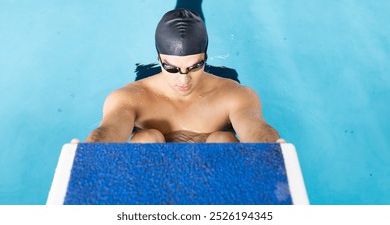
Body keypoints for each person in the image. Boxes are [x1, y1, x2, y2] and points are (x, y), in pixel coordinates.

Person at [80, 9, 282, 143]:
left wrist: (273, 150)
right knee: (146, 138)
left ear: (206, 58)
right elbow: (110, 131)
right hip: (154, 177)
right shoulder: (130, 98)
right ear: (159, 59)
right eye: (172, 68)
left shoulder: (234, 94)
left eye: (195, 67)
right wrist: (88, 153)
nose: (184, 80)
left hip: (213, 175)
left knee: (223, 140)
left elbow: (255, 129)